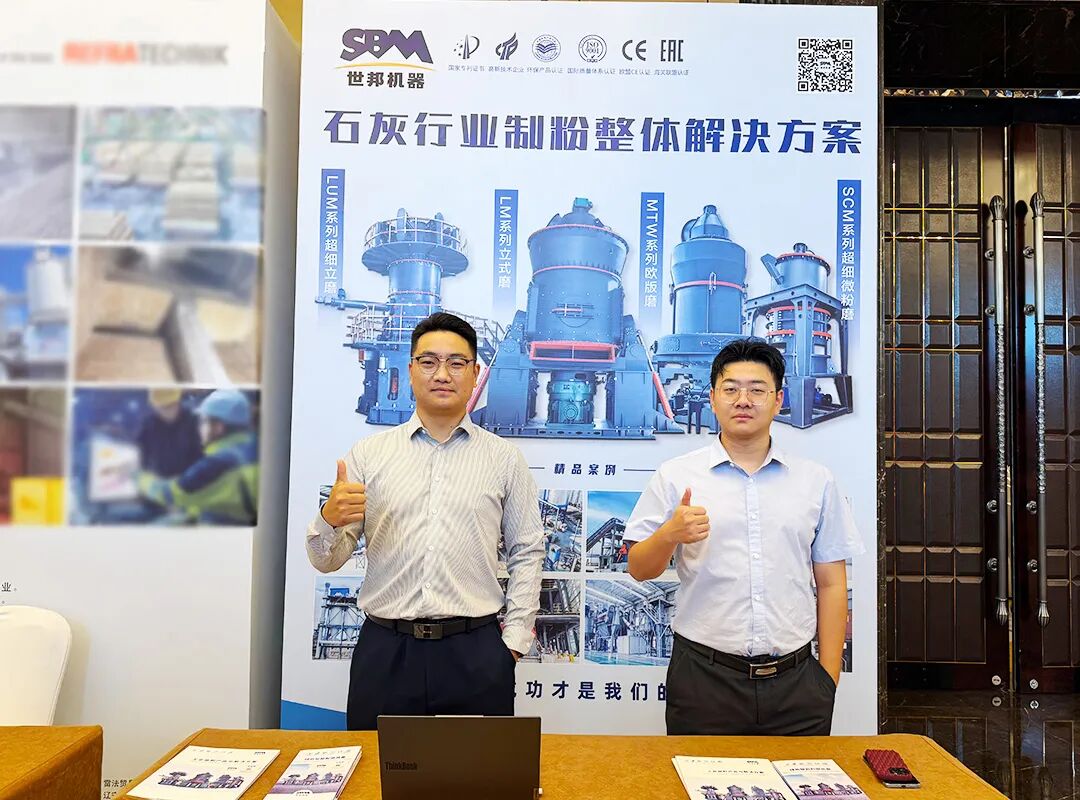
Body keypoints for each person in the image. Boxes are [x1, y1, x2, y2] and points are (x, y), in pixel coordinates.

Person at [306, 312, 545, 730]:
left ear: (475, 373)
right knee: (377, 769)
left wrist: (513, 643)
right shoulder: (368, 455)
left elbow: (527, 551)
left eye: (457, 363)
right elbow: (327, 561)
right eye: (429, 362)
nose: (442, 374)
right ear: (411, 369)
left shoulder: (504, 459)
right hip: (386, 651)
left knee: (478, 768)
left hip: (475, 652)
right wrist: (328, 519)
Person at [624, 338, 863, 736]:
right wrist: (669, 535)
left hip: (797, 684)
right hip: (704, 681)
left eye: (757, 390)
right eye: (731, 389)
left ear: (778, 399)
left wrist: (827, 680)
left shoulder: (815, 480)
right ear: (713, 398)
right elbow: (638, 569)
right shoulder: (676, 476)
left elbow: (832, 583)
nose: (743, 400)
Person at [137, 389, 259, 526]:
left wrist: (139, 478)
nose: (199, 428)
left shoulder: (218, 463)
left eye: (203, 421)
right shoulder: (257, 449)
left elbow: (169, 493)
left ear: (218, 427)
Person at [136, 388, 202, 478]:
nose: (166, 411)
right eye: (162, 407)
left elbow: (199, 452)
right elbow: (143, 454)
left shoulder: (192, 421)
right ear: (155, 407)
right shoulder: (148, 426)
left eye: (169, 406)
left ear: (177, 403)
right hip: (160, 478)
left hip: (187, 478)